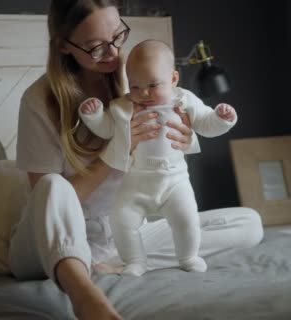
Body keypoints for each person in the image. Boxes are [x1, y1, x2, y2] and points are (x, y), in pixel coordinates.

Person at [8, 0, 264, 319]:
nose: (114, 54)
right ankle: (85, 294)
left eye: (118, 36)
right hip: (45, 242)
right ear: (63, 46)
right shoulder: (39, 101)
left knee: (249, 224)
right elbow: (50, 201)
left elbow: (176, 131)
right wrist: (120, 147)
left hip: (119, 232)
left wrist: (184, 136)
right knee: (51, 185)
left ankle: (124, 262)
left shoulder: (140, 75)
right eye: (96, 47)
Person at [78, 39, 238, 277]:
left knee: (186, 219)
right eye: (134, 86)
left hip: (174, 181)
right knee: (121, 219)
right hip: (136, 183)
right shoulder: (124, 107)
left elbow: (206, 123)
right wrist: (93, 117)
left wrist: (223, 119)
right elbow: (107, 129)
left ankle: (188, 256)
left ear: (173, 79)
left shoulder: (184, 101)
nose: (143, 94)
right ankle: (134, 261)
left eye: (153, 85)